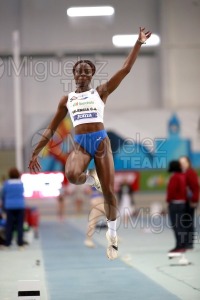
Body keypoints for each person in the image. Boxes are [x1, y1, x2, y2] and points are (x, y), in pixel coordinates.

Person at [28, 27, 152, 260]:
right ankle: (89, 178)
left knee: (109, 194)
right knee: (73, 174)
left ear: (92, 74)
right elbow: (51, 129)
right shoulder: (67, 100)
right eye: (79, 72)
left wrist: (138, 43)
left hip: (101, 143)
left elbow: (125, 69)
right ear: (74, 75)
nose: (83, 75)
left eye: (87, 72)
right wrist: (35, 152)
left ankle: (112, 238)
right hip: (81, 144)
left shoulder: (101, 92)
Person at [166, 160, 187, 255]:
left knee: (176, 225)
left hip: (175, 204)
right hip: (182, 203)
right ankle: (180, 245)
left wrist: (168, 200)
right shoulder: (182, 176)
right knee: (181, 225)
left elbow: (172, 191)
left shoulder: (174, 177)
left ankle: (180, 245)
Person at [1, 168, 25, 248]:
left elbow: (3, 194)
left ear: (10, 175)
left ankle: (8, 243)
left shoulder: (6, 184)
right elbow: (22, 193)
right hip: (20, 206)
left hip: (9, 206)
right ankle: (20, 243)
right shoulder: (21, 183)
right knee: (19, 225)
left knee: (9, 225)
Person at [179, 156, 199, 250]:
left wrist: (194, 200)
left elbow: (195, 187)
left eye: (184, 162)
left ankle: (189, 243)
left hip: (190, 201)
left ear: (188, 163)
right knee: (183, 222)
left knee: (188, 222)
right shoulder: (181, 173)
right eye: (180, 162)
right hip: (183, 201)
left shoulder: (190, 173)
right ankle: (185, 242)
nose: (182, 164)